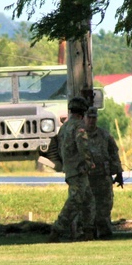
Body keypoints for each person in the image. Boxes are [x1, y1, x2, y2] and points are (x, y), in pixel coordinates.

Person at [49, 97, 96, 242]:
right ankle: (57, 230)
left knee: (88, 200)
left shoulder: (64, 126)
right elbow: (82, 145)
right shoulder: (79, 126)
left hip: (70, 168)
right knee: (75, 201)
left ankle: (88, 232)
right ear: (83, 110)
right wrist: (89, 163)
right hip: (78, 170)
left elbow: (56, 146)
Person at [84, 106, 124, 239]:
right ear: (84, 118)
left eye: (94, 118)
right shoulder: (80, 136)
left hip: (103, 177)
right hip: (87, 178)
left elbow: (114, 154)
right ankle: (89, 233)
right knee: (87, 207)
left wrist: (118, 173)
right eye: (89, 118)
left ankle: (105, 234)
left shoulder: (105, 135)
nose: (91, 121)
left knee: (105, 207)